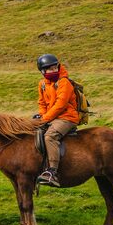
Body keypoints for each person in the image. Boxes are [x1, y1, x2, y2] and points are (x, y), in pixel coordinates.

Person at [32, 54, 79, 187]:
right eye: (49, 69)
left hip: (67, 118)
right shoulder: (42, 84)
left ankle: (52, 172)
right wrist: (42, 116)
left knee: (50, 137)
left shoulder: (64, 82)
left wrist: (45, 119)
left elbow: (60, 105)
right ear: (43, 71)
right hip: (51, 117)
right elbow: (42, 103)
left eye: (55, 68)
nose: (53, 71)